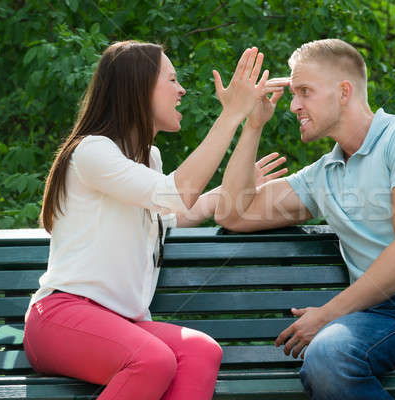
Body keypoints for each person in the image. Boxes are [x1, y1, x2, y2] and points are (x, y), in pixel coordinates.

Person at [214, 38, 395, 400]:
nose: (293, 106)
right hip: (380, 315)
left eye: (304, 92)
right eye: (293, 94)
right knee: (326, 358)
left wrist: (326, 314)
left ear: (343, 91)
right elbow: (233, 213)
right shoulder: (321, 175)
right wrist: (252, 124)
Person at [23, 41, 286, 400]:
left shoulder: (151, 159)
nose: (182, 90)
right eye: (172, 80)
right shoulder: (92, 151)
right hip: (60, 319)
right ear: (138, 88)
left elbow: (175, 213)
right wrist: (231, 115)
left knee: (200, 351)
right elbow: (176, 194)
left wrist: (233, 181)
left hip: (121, 324)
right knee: (152, 359)